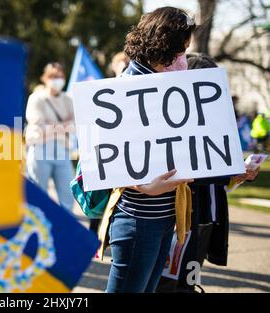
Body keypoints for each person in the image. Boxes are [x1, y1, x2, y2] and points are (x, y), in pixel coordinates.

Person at [96, 7, 196, 293]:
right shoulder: (122, 91)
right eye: (180, 50)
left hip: (165, 217)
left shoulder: (166, 85)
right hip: (139, 220)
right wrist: (142, 186)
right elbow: (102, 161)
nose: (182, 59)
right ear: (163, 45)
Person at [156, 53, 261, 293]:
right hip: (184, 221)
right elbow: (187, 174)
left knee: (189, 282)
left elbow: (218, 181)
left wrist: (237, 176)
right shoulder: (176, 127)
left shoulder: (217, 124)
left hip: (207, 220)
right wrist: (229, 173)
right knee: (168, 283)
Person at [25, 62, 76, 211]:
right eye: (53, 76)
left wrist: (50, 125)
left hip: (62, 150)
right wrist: (63, 125)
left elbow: (74, 126)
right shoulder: (36, 98)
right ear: (45, 78)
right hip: (40, 148)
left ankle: (64, 231)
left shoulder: (69, 100)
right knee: (39, 195)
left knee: (68, 196)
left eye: (60, 76)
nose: (57, 79)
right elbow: (38, 128)